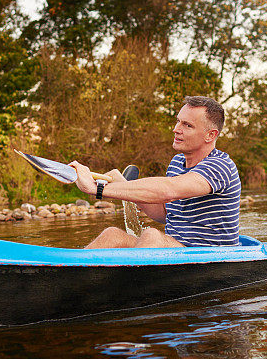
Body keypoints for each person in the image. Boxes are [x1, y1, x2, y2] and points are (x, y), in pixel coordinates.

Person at [70, 95, 241, 248]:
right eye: (178, 121)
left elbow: (168, 190)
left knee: (152, 235)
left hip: (210, 257)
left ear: (210, 135)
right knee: (112, 234)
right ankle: (73, 275)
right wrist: (122, 186)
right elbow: (163, 214)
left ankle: (134, 282)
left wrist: (97, 189)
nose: (176, 129)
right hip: (176, 249)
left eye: (187, 125)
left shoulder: (220, 166)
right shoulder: (176, 163)